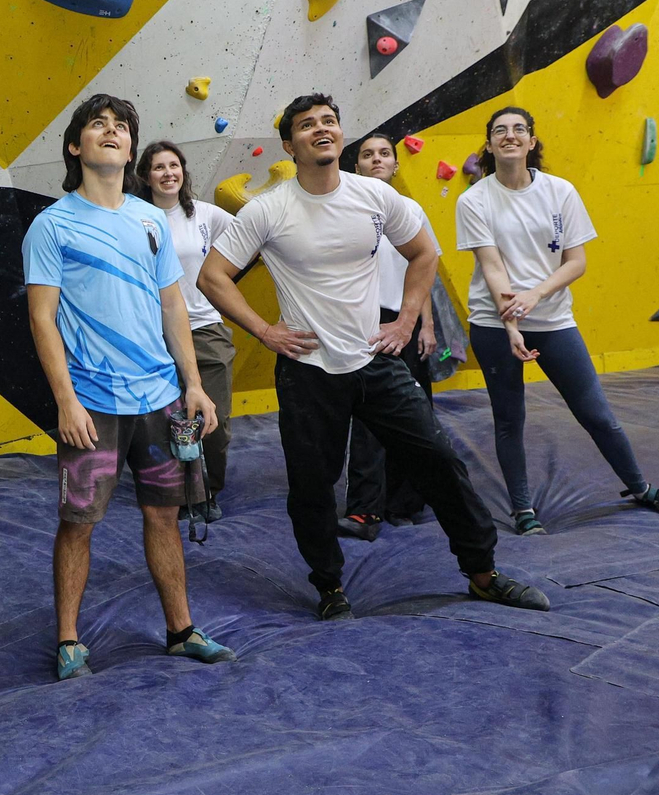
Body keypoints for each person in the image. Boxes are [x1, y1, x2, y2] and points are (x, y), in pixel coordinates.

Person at [198, 93, 549, 621]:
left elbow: (424, 252)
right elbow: (212, 276)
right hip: (308, 370)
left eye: (329, 121)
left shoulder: (375, 197)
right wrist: (265, 331)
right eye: (307, 124)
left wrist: (407, 320)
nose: (321, 128)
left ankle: (483, 574)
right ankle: (330, 586)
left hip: (373, 359)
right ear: (291, 144)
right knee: (312, 487)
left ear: (340, 135)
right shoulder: (269, 209)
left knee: (441, 461)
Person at [23, 94, 235, 681]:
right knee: (78, 522)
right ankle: (69, 642)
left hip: (161, 399)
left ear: (131, 150)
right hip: (91, 403)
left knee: (164, 516)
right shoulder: (51, 225)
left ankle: (181, 631)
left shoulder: (149, 220)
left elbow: (173, 304)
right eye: (98, 125)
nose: (111, 133)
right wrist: (65, 400)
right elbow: (42, 318)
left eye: (122, 128)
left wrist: (193, 385)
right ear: (75, 145)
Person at [456, 106, 659, 534]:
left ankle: (640, 488)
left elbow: (576, 262)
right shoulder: (474, 199)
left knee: (597, 415)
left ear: (532, 142)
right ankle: (523, 509)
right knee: (509, 419)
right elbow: (492, 268)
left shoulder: (560, 191)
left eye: (519, 130)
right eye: (499, 131)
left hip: (552, 319)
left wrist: (535, 296)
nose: (509, 136)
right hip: (495, 323)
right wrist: (511, 325)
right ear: (489, 145)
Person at [337, 133, 439, 541]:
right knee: (366, 417)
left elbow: (423, 271)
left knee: (415, 413)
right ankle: (365, 509)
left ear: (396, 165)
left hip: (405, 318)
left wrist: (425, 325)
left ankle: (406, 502)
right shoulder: (345, 209)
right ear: (355, 165)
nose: (376, 159)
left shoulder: (411, 210)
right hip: (361, 321)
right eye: (367, 154)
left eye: (384, 154)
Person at [136, 140, 236, 520]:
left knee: (214, 421)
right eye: (159, 167)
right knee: (168, 422)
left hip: (204, 328)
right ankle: (182, 494)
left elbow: (248, 243)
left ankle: (209, 491)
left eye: (174, 165)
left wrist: (221, 284)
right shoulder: (135, 218)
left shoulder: (206, 216)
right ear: (146, 175)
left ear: (183, 171)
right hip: (152, 333)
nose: (167, 173)